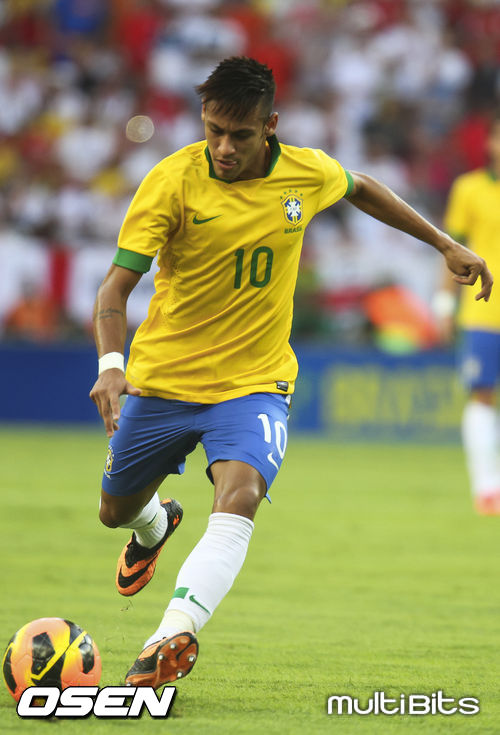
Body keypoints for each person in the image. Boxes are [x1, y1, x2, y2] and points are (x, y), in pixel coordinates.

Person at [90, 57, 492, 688]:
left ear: (270, 126)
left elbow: (361, 186)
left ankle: (168, 637)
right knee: (114, 511)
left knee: (241, 495)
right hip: (163, 379)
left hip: (255, 382)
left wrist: (444, 243)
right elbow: (115, 290)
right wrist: (111, 366)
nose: (224, 147)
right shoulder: (171, 183)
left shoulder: (305, 172)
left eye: (240, 134)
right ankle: (155, 524)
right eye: (213, 131)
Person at [437, 115, 500, 515]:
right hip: (482, 312)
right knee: (482, 395)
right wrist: (444, 304)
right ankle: (487, 487)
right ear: (490, 143)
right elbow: (450, 250)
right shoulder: (469, 189)